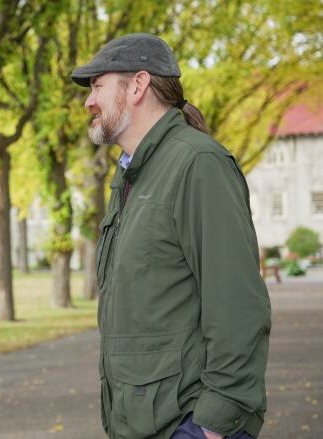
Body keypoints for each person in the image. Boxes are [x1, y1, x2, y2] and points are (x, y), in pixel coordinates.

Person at [71, 33, 271, 439]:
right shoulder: (130, 174)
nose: (88, 101)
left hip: (190, 423)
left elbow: (237, 303)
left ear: (139, 85)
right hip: (145, 421)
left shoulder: (198, 164)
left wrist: (216, 421)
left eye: (97, 86)